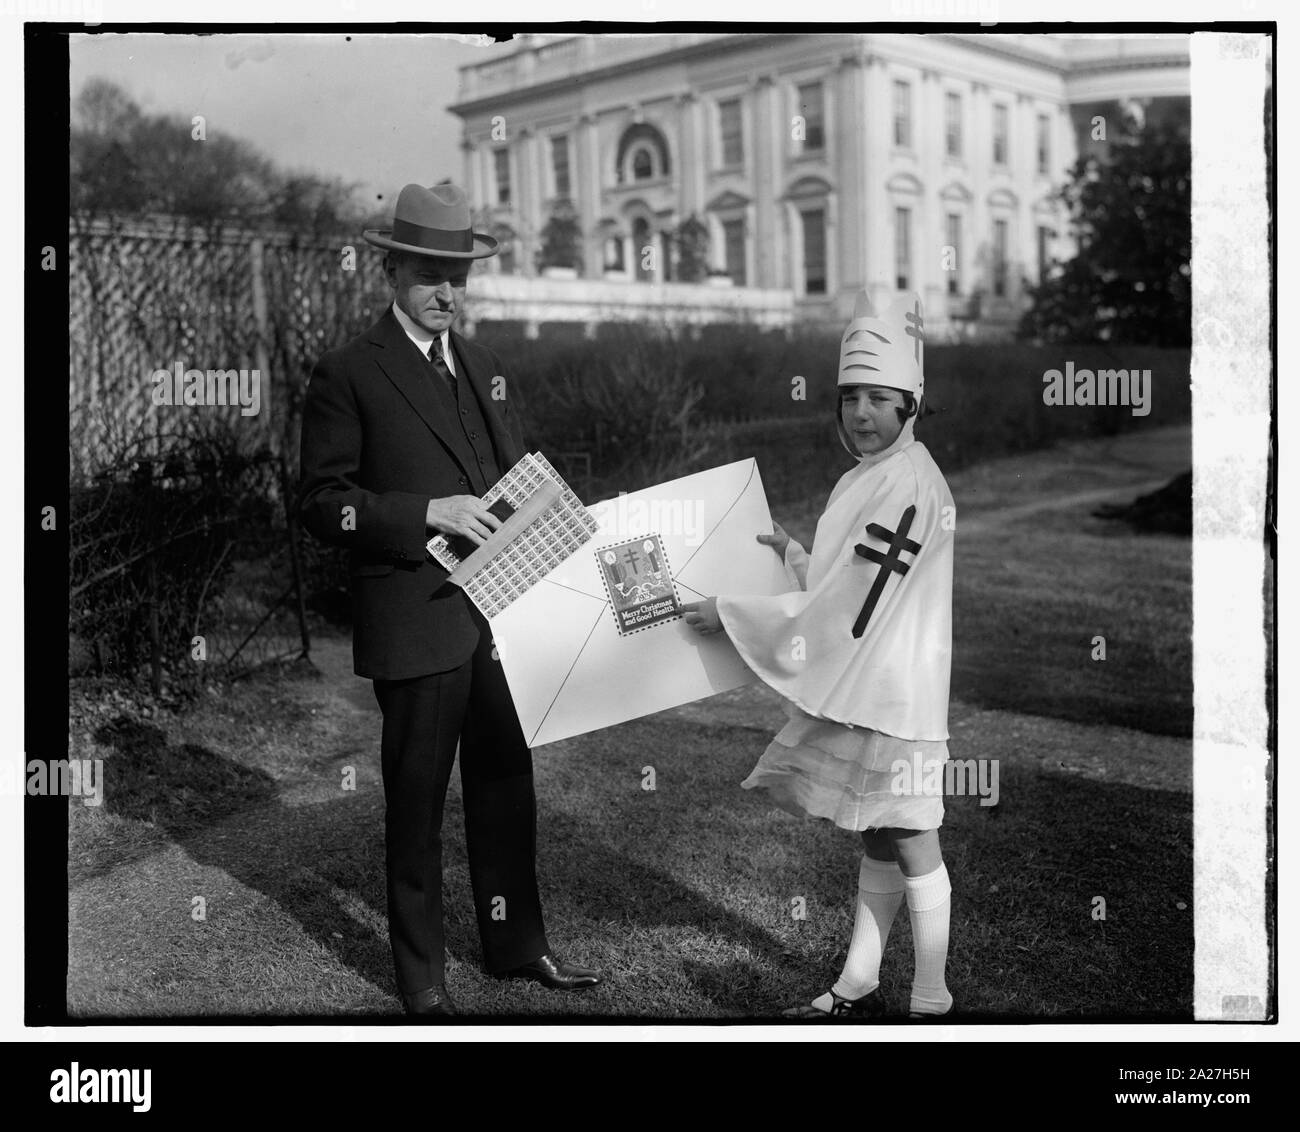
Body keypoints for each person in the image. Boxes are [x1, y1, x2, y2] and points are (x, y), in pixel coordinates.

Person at [297, 182, 599, 1017]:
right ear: (391, 269)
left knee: (507, 784)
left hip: (500, 619)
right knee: (418, 805)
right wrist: (422, 512)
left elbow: (511, 477)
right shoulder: (349, 372)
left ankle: (517, 945)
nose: (447, 293)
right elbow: (323, 503)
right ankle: (422, 980)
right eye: (430, 274)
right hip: (417, 621)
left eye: (459, 276)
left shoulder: (484, 365)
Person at [683, 291, 955, 1020]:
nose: (861, 413)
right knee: (877, 829)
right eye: (850, 398)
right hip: (873, 682)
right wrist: (799, 556)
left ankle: (932, 996)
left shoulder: (909, 483)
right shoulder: (873, 474)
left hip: (895, 691)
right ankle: (859, 979)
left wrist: (730, 613)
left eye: (878, 398)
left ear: (910, 405)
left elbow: (850, 606)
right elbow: (852, 587)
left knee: (910, 830)